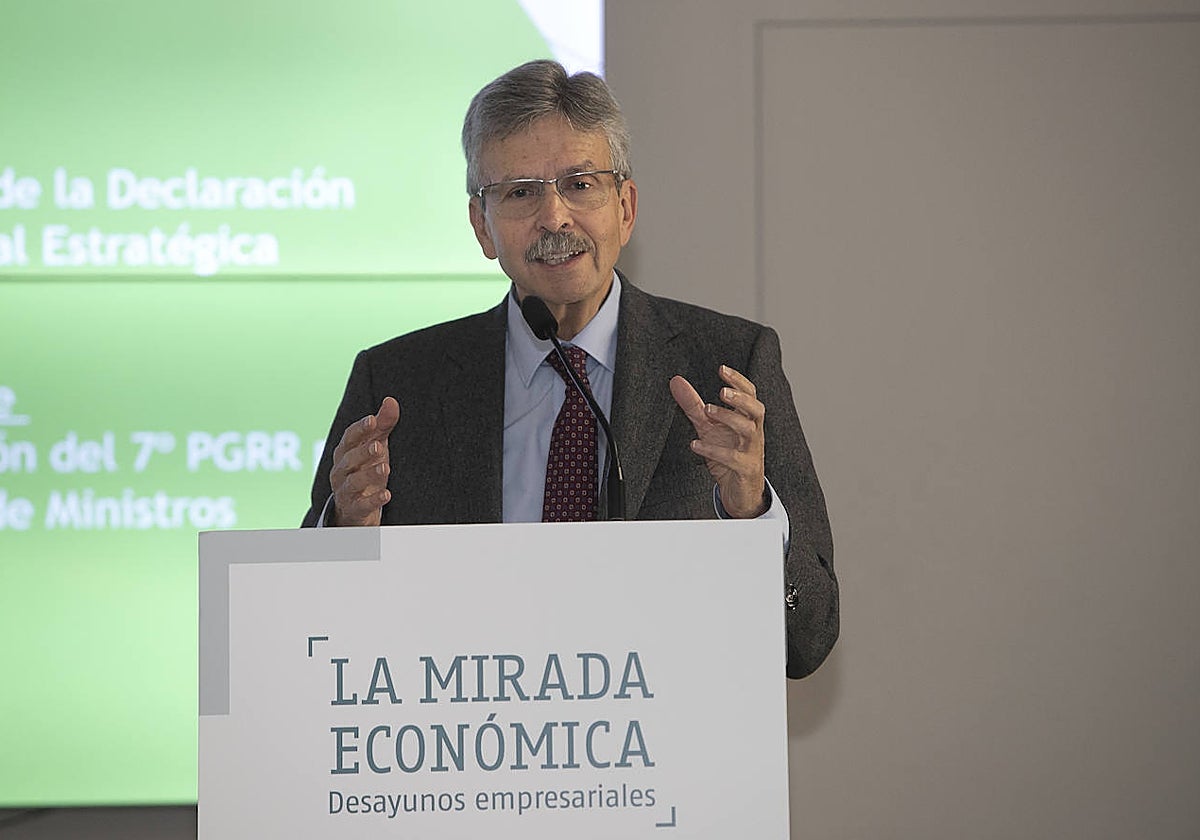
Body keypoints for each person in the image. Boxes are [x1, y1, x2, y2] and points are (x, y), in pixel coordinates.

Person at [302, 60, 837, 679]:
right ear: (482, 226)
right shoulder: (398, 385)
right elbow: (319, 645)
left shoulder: (728, 366)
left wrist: (750, 513)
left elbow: (808, 639)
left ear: (626, 207)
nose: (555, 218)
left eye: (580, 184)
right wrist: (343, 533)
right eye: (521, 192)